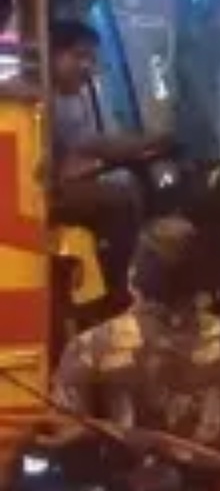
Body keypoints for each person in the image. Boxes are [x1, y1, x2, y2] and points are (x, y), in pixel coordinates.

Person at [53, 217, 220, 455]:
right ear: (200, 282)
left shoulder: (89, 349)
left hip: (121, 479)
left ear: (132, 279)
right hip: (216, 478)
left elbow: (68, 437)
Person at [49, 19, 171, 308]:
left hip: (59, 184)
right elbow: (96, 145)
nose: (87, 66)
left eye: (91, 59)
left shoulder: (75, 98)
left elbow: (95, 145)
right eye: (79, 56)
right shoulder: (45, 97)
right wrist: (152, 140)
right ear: (53, 54)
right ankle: (122, 292)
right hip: (41, 193)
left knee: (126, 188)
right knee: (119, 200)